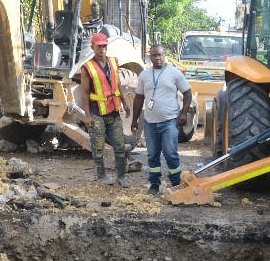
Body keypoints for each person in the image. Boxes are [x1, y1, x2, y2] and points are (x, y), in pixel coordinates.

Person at [131, 44, 192, 194]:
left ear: (165, 55)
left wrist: (183, 113)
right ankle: (154, 184)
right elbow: (138, 98)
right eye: (154, 55)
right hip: (150, 123)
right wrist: (134, 120)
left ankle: (177, 183)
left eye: (160, 55)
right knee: (152, 155)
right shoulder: (144, 75)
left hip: (169, 122)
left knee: (170, 153)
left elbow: (188, 93)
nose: (158, 58)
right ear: (150, 57)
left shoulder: (174, 73)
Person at [80, 32, 130, 187]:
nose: (102, 49)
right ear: (93, 47)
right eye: (99, 46)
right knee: (98, 145)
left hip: (113, 110)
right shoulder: (87, 68)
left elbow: (118, 85)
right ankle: (101, 175)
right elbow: (85, 94)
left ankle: (121, 177)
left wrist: (125, 103)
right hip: (96, 112)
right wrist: (87, 116)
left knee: (120, 145)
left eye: (104, 46)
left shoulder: (114, 62)